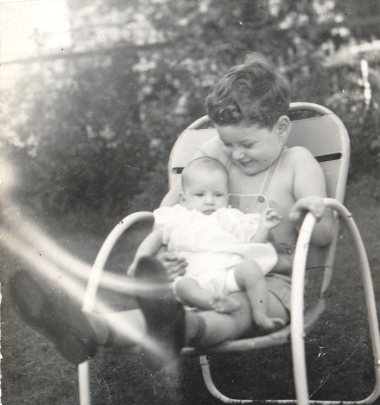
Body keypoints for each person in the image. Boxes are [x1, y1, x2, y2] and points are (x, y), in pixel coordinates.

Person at [8, 52, 334, 368]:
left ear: (280, 128)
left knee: (232, 309)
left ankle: (179, 328)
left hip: (271, 283)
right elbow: (170, 210)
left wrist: (308, 212)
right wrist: (162, 250)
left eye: (246, 144)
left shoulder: (297, 163)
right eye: (228, 143)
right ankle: (85, 329)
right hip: (207, 273)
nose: (236, 154)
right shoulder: (214, 154)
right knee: (163, 313)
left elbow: (324, 236)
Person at [128, 157, 284, 332]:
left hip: (227, 274)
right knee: (183, 286)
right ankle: (214, 302)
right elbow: (155, 237)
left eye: (218, 195)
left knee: (251, 269)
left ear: (227, 197)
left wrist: (264, 227)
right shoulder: (176, 216)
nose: (209, 201)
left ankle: (260, 315)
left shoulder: (232, 217)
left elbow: (253, 247)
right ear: (183, 199)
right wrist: (140, 260)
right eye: (200, 195)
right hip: (193, 277)